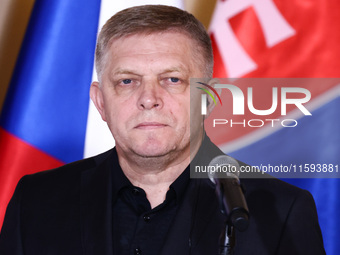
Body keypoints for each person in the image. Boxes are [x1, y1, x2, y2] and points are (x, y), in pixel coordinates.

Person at [0, 5, 325, 255]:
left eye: (172, 80)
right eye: (127, 81)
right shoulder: (36, 201)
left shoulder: (282, 212)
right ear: (100, 101)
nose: (149, 99)